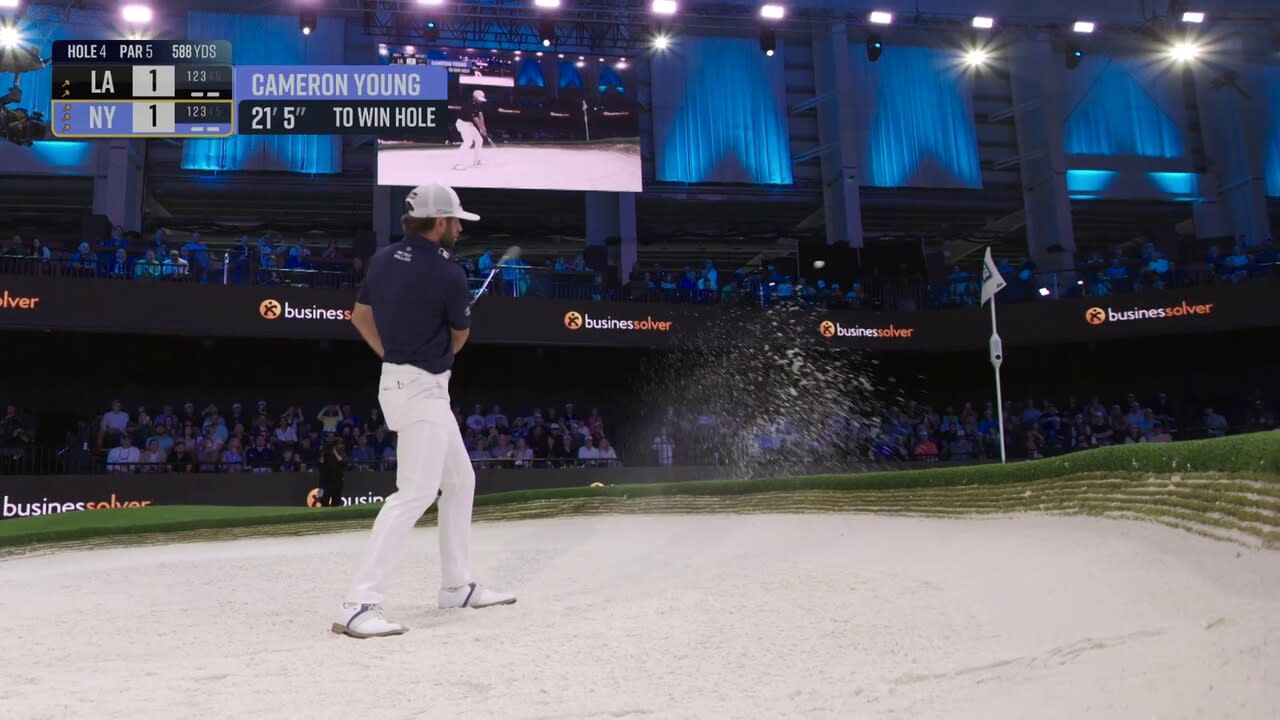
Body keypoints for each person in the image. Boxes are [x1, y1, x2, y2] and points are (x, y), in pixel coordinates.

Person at [333, 183, 515, 640]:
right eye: (455, 221)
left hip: (399, 382)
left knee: (460, 481)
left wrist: (393, 354)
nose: (459, 229)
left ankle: (457, 586)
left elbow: (359, 317)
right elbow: (459, 337)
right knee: (413, 494)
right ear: (438, 223)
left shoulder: (381, 259)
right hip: (424, 390)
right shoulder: (449, 273)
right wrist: (425, 357)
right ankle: (359, 604)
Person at [454, 89, 488, 170]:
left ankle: (477, 160)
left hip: (469, 124)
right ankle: (457, 163)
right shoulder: (469, 105)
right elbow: (475, 119)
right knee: (468, 142)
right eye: (479, 99)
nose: (481, 101)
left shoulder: (478, 104)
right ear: (474, 97)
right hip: (462, 123)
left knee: (479, 140)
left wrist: (483, 128)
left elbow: (480, 116)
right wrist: (481, 129)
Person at [318, 435, 346, 506]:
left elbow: (343, 463)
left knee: (336, 503)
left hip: (337, 483)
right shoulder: (326, 454)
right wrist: (322, 454)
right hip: (326, 483)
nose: (340, 446)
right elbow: (321, 465)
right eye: (338, 444)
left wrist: (335, 452)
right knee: (324, 503)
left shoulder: (341, 453)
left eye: (340, 444)